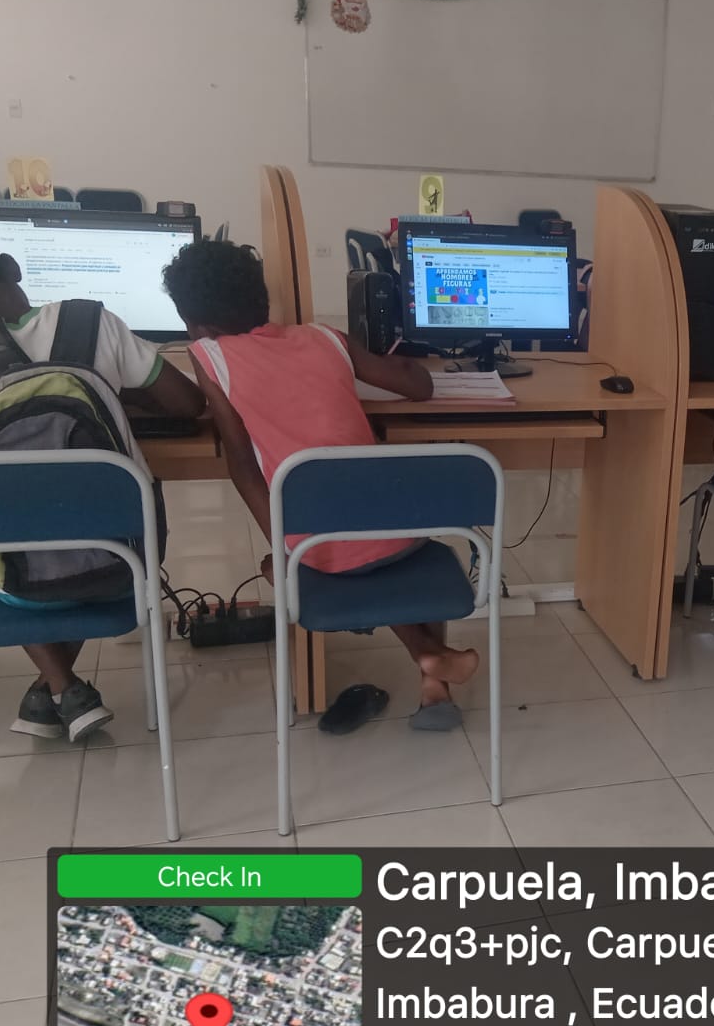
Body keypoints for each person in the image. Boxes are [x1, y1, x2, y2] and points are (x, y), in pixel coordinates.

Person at [0, 218, 206, 742]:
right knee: (82, 526)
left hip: (18, 581)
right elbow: (188, 403)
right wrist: (116, 390)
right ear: (6, 267)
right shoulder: (92, 319)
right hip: (124, 562)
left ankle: (60, 687)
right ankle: (59, 688)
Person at [160, 239, 481, 732]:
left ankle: (429, 656)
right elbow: (419, 386)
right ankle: (432, 678)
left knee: (308, 551)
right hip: (401, 532)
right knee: (375, 535)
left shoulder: (208, 356)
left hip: (320, 548)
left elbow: (241, 464)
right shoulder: (324, 337)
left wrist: (284, 549)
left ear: (197, 326)